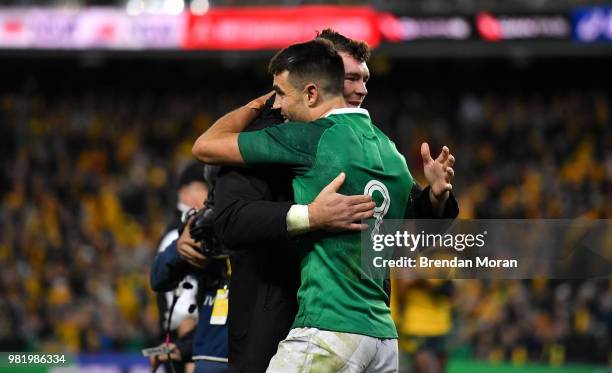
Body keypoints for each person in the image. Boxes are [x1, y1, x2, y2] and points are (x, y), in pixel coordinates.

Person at [192, 39, 456, 372]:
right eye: (350, 78)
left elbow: (204, 146)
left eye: (364, 79)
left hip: (326, 323)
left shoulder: (313, 137)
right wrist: (310, 216)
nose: (360, 89)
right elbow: (229, 219)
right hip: (367, 332)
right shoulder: (388, 150)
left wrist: (436, 198)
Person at [151, 163, 230, 373]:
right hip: (202, 349)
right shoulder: (191, 230)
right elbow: (181, 305)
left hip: (210, 348)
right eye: (205, 187)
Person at [153, 162, 207, 373]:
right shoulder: (182, 234)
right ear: (185, 193)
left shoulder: (178, 229)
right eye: (202, 187)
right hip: (185, 348)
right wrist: (191, 362)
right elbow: (184, 307)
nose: (210, 192)